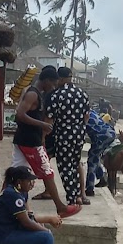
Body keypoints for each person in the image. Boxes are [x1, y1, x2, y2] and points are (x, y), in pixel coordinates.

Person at [13, 66, 78, 218]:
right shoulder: (32, 94)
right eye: (53, 84)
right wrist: (42, 124)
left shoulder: (37, 94)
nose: (54, 87)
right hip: (30, 141)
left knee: (15, 172)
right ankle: (61, 207)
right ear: (47, 80)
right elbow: (20, 114)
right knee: (47, 172)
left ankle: (4, 202)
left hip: (24, 139)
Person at [46, 65, 90, 206]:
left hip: (63, 134)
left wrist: (44, 136)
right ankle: (77, 195)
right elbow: (87, 116)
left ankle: (72, 198)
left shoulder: (56, 95)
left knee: (65, 167)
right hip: (79, 134)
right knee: (75, 163)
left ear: (60, 79)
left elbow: (49, 119)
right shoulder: (82, 93)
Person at [85, 108, 114, 197]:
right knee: (95, 156)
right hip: (110, 132)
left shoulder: (81, 116)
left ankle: (90, 189)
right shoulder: (91, 111)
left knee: (91, 160)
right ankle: (102, 179)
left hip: (101, 137)